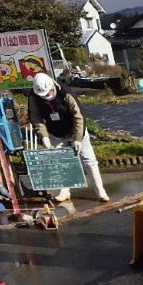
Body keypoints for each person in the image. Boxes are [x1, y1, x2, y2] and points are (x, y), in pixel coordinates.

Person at [28, 72, 109, 203]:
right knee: (60, 160)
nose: (47, 97)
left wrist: (77, 138)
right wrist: (44, 136)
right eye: (44, 96)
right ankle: (64, 191)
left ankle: (100, 190)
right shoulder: (33, 96)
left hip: (75, 128)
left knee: (89, 160)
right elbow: (35, 117)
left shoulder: (65, 92)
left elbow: (79, 116)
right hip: (54, 131)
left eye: (48, 94)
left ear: (52, 87)